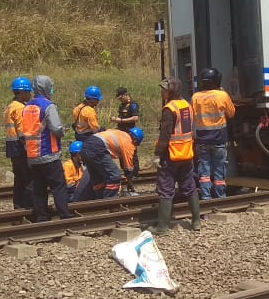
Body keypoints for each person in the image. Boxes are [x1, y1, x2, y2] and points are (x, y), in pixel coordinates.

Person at [153, 76, 201, 233]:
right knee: (190, 186)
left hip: (171, 155)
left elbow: (165, 135)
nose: (162, 92)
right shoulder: (187, 105)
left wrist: (157, 154)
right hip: (187, 153)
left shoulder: (169, 109)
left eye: (164, 90)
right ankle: (196, 222)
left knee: (166, 189)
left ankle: (162, 227)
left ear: (171, 91)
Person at [20, 75, 71, 222]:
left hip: (32, 155)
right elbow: (56, 129)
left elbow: (25, 132)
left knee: (39, 188)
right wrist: (63, 131)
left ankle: (42, 217)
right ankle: (64, 214)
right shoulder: (48, 106)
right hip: (49, 153)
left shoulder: (27, 107)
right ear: (46, 87)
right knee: (58, 185)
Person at [191, 67, 236, 199]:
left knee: (204, 170)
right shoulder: (222, 95)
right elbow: (231, 113)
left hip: (201, 140)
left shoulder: (195, 97)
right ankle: (220, 196)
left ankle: (206, 197)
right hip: (219, 139)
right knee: (219, 169)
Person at [83, 127, 142, 198]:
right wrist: (130, 183)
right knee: (114, 177)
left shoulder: (120, 133)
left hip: (85, 146)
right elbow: (128, 168)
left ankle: (99, 200)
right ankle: (109, 201)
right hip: (97, 148)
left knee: (98, 180)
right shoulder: (129, 143)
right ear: (135, 140)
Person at [3, 76, 33, 210]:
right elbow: (22, 132)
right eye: (28, 92)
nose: (30, 95)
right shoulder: (20, 108)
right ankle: (29, 207)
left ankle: (18, 206)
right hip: (20, 147)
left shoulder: (10, 106)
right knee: (28, 179)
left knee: (19, 179)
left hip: (12, 148)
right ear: (22, 93)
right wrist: (29, 147)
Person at [111, 87, 141, 176]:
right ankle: (125, 171)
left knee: (132, 152)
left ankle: (134, 172)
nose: (120, 100)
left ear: (125, 95)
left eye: (121, 98)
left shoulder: (133, 105)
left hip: (130, 132)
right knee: (121, 151)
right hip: (121, 132)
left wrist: (120, 120)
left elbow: (135, 118)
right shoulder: (121, 105)